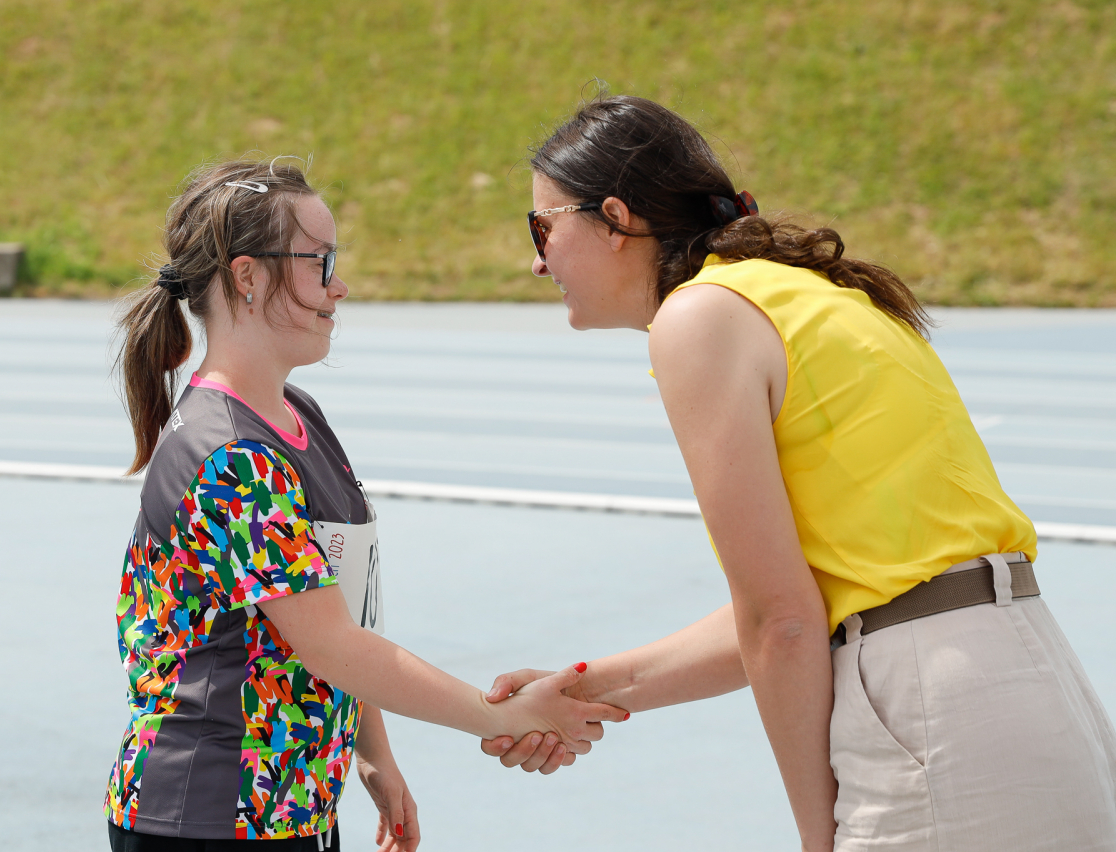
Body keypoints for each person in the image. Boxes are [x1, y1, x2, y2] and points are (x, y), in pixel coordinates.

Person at [479, 95, 1116, 850]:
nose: (537, 260)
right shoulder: (814, 294)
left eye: (542, 228)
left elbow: (781, 622)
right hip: (1029, 685)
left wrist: (819, 836)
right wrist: (580, 690)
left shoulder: (699, 317)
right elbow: (804, 603)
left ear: (614, 219)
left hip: (929, 709)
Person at [106, 159, 625, 852]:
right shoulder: (230, 455)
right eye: (320, 263)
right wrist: (499, 715)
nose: (339, 286)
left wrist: (371, 752)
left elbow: (338, 607)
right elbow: (330, 642)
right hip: (208, 812)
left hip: (285, 805)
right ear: (247, 276)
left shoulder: (295, 414)